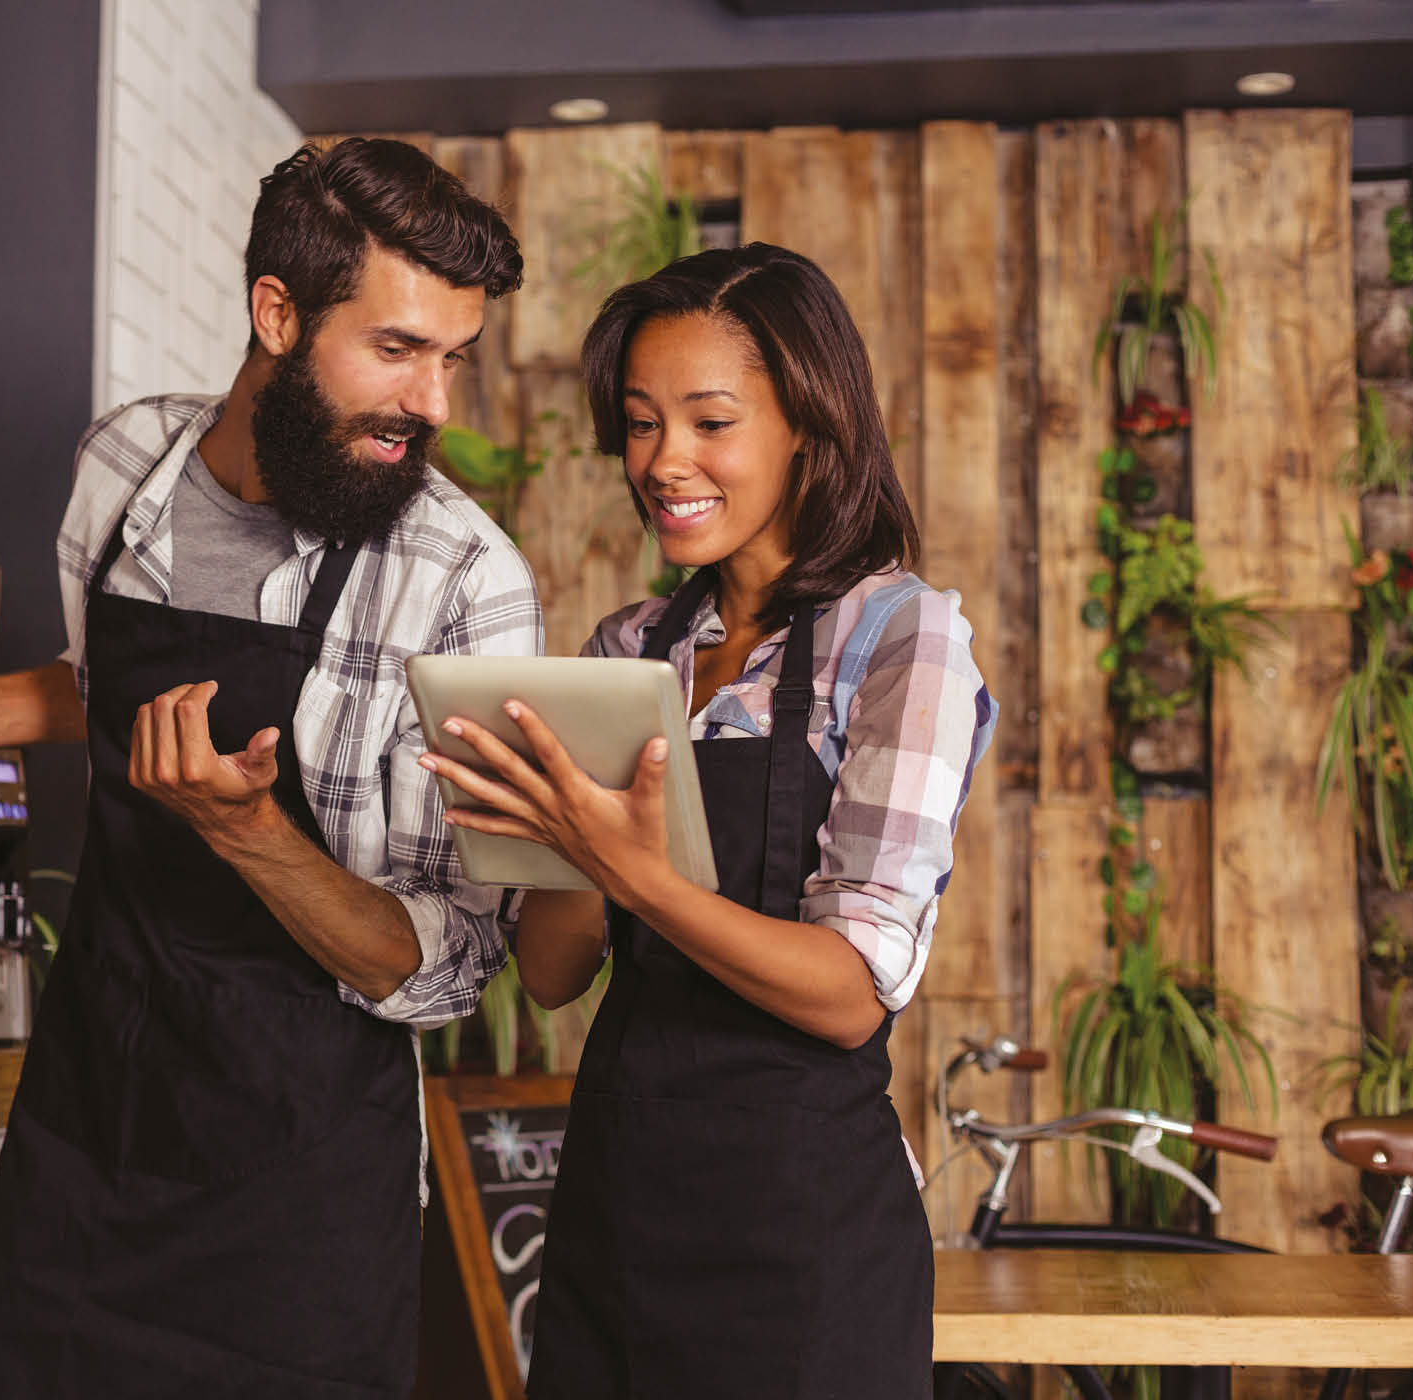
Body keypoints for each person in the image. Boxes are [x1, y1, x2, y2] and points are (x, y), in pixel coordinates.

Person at [0, 138, 540, 1398]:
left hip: (300, 1201)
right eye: (397, 349)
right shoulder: (123, 469)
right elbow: (106, 680)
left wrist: (251, 832)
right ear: (277, 312)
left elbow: (449, 967)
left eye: (452, 358)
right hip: (88, 1131)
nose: (435, 403)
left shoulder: (463, 581)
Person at [419, 243, 996, 1400]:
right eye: (640, 423)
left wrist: (636, 871)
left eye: (709, 421)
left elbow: (846, 992)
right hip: (619, 1219)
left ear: (809, 430)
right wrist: (560, 832)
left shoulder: (901, 640)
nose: (663, 461)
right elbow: (547, 971)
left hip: (804, 1250)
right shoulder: (629, 649)